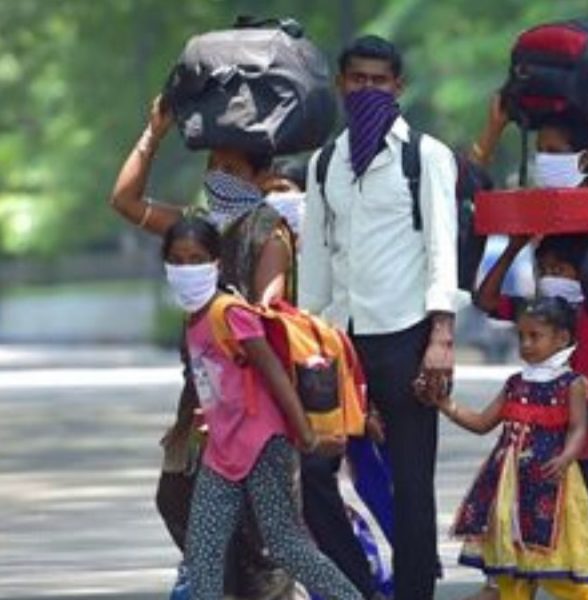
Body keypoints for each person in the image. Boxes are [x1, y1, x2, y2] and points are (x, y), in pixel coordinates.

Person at [109, 96, 299, 599]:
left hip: (249, 404)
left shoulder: (268, 232)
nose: (218, 175)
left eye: (232, 168)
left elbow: (269, 311)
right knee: (178, 497)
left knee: (259, 529)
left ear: (260, 179)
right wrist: (153, 134)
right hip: (198, 398)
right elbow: (125, 202)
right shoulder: (198, 225)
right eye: (212, 165)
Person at [472, 108, 588, 600]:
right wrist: (516, 246)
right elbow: (488, 300)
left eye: (558, 152)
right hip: (542, 431)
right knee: (531, 516)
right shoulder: (544, 315)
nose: (546, 160)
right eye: (543, 151)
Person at [298, 35, 459, 600]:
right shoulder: (324, 165)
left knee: (413, 485)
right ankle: (359, 587)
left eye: (379, 80)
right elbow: (315, 261)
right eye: (358, 79)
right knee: (316, 473)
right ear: (342, 85)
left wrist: (442, 337)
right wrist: (307, 341)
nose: (368, 89)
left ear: (398, 87)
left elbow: (443, 249)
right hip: (339, 344)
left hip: (408, 338)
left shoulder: (426, 156)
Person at [159, 216, 364, 600]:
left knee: (286, 543)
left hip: (263, 445)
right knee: (203, 552)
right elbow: (198, 376)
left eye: (196, 258)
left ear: (216, 263)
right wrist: (182, 425)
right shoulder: (194, 317)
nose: (187, 268)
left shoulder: (229, 311)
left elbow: (272, 370)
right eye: (177, 259)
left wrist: (302, 430)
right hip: (223, 450)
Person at [434, 296, 588, 599]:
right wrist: (445, 405)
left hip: (551, 484)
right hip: (507, 486)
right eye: (521, 336)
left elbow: (579, 427)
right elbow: (481, 422)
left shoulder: (572, 384)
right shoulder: (515, 383)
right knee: (511, 571)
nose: (525, 344)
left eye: (535, 336)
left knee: (554, 561)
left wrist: (567, 457)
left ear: (562, 338)